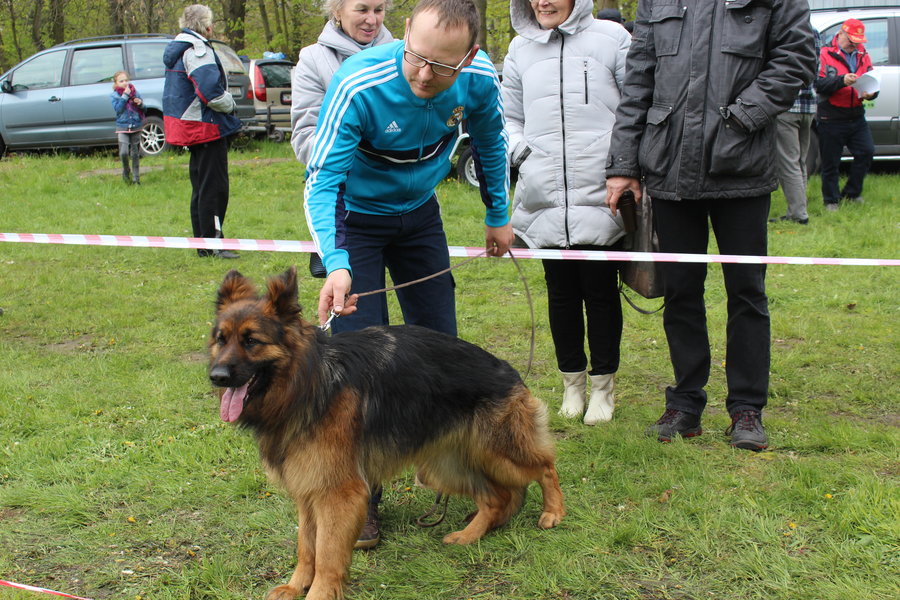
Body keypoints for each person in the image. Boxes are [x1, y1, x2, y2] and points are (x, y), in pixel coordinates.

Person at [304, 0, 513, 546]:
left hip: (420, 215)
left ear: (467, 59)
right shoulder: (360, 82)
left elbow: (491, 143)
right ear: (405, 39)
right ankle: (364, 497)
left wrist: (498, 216)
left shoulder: (480, 78)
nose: (424, 74)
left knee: (440, 346)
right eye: (416, 57)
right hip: (358, 218)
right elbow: (321, 181)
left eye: (441, 67)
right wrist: (339, 263)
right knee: (358, 362)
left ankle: (451, 468)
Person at [605, 0, 816, 450]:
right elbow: (638, 80)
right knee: (681, 289)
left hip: (741, 167)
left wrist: (743, 116)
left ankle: (746, 409)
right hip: (670, 167)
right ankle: (685, 404)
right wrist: (623, 165)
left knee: (747, 291)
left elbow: (796, 57)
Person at [503, 0, 630, 425]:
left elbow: (636, 109)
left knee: (600, 292)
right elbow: (508, 115)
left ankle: (602, 390)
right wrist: (522, 151)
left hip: (602, 191)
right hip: (545, 196)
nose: (543, 1)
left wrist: (622, 165)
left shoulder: (613, 40)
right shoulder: (519, 50)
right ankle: (571, 385)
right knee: (560, 294)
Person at [291, 0, 394, 279]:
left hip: (406, 204)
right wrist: (351, 147)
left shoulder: (406, 54)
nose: (372, 20)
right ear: (337, 11)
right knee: (358, 315)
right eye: (362, 10)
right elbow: (304, 139)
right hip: (348, 209)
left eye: (379, 10)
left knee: (429, 320)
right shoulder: (313, 59)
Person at [163, 4, 243, 259]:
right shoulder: (198, 50)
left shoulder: (180, 47)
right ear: (207, 26)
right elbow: (211, 92)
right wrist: (231, 105)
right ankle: (212, 244)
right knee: (214, 188)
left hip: (193, 126)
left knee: (201, 186)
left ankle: (203, 242)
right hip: (205, 127)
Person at [815, 18, 877, 212]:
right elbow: (819, 85)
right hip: (831, 116)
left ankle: (852, 193)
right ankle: (831, 200)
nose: (854, 44)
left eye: (857, 41)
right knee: (831, 162)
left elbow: (872, 79)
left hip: (857, 115)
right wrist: (842, 80)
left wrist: (872, 93)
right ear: (840, 34)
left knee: (866, 152)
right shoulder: (824, 54)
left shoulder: (863, 55)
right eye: (851, 39)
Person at [771, 30, 821, 225]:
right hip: (809, 106)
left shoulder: (786, 30)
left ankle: (799, 214)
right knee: (800, 161)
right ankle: (799, 208)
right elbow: (816, 68)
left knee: (788, 162)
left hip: (788, 106)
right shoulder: (814, 32)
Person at [110, 71, 145, 185]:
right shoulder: (115, 95)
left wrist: (140, 104)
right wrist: (125, 96)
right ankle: (126, 171)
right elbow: (118, 109)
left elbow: (144, 109)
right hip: (122, 126)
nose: (125, 83)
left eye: (126, 80)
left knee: (135, 153)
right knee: (123, 153)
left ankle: (136, 178)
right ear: (116, 83)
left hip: (136, 125)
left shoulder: (135, 92)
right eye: (121, 81)